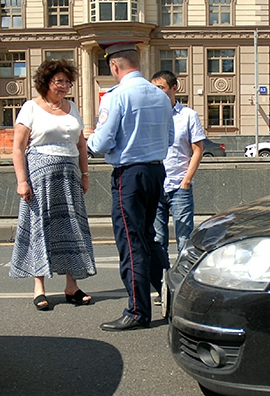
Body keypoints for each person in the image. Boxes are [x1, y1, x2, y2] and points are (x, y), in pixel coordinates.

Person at [88, 41, 174, 331]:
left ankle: (137, 311)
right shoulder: (160, 95)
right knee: (149, 237)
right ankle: (173, 297)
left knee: (131, 240)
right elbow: (170, 138)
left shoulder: (116, 96)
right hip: (156, 171)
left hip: (129, 176)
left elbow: (102, 142)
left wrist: (88, 142)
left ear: (114, 66)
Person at [9, 58, 96, 311]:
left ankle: (72, 286)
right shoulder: (30, 108)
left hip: (70, 178)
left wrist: (85, 174)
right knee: (41, 228)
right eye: (59, 81)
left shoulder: (72, 107)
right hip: (40, 179)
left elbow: (81, 145)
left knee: (71, 228)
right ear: (46, 82)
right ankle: (39, 287)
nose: (64, 86)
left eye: (68, 82)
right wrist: (22, 181)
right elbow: (18, 148)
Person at [150, 70, 205, 306]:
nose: (158, 93)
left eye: (161, 88)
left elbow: (198, 149)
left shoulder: (188, 115)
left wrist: (186, 180)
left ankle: (183, 286)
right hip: (156, 185)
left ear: (174, 88)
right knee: (158, 240)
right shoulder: (150, 115)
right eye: (154, 89)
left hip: (179, 185)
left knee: (184, 239)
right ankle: (163, 288)